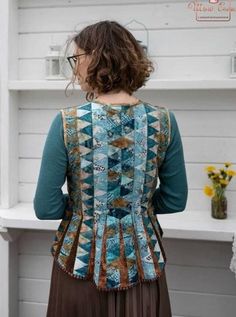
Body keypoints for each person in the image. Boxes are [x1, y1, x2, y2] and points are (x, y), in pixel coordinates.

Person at [33, 20, 188, 317]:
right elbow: (175, 199)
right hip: (142, 267)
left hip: (81, 264)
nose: (75, 69)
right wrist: (134, 208)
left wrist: (88, 209)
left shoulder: (67, 123)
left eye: (76, 59)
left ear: (94, 59)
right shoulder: (164, 121)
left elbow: (46, 206)